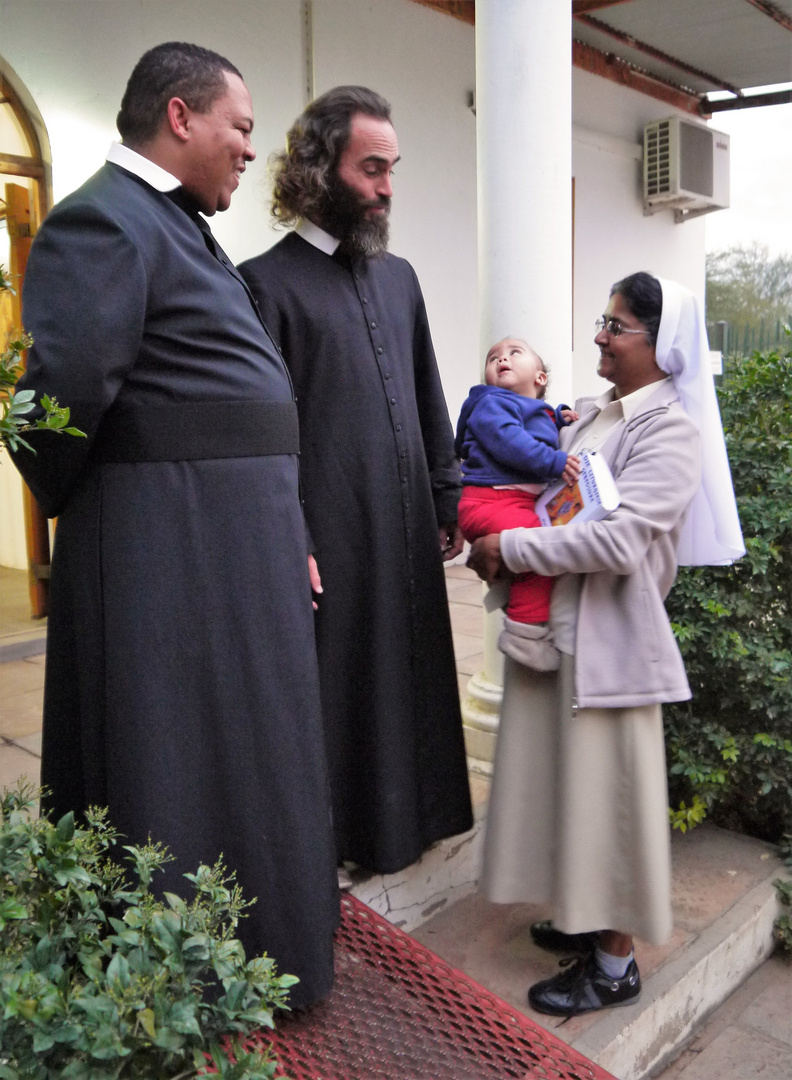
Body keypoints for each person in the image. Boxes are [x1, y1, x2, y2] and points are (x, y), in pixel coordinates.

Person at [10, 42, 338, 1008]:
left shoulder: (173, 223)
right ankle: (178, 978)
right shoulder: (99, 223)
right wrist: (120, 513)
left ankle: (262, 945)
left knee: (249, 747)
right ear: (182, 116)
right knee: (177, 758)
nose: (250, 148)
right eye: (240, 126)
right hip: (171, 547)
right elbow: (59, 402)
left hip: (229, 544)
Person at [467, 273, 744, 1019]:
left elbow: (619, 541)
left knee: (613, 807)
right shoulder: (595, 415)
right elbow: (544, 491)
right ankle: (584, 918)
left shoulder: (669, 430)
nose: (600, 335)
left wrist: (512, 547)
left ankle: (616, 965)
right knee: (572, 794)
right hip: (561, 632)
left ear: (661, 345)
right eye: (603, 321)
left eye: (616, 327)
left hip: (612, 648)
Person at [238, 86, 473, 877]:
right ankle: (351, 842)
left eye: (392, 169)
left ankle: (425, 818)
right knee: (348, 685)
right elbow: (260, 438)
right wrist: (289, 538)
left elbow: (427, 389)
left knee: (415, 670)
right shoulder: (261, 285)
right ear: (319, 168)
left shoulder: (399, 278)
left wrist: (448, 496)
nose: (386, 188)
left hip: (405, 522)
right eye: (372, 168)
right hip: (329, 528)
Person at [455, 337, 579, 671]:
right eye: (493, 357)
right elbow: (510, 441)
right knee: (537, 550)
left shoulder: (534, 409)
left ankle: (526, 623)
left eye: (513, 353)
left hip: (505, 501)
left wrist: (561, 419)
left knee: (531, 558)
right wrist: (553, 461)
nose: (501, 359)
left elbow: (536, 422)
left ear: (540, 378)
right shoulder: (492, 403)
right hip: (491, 499)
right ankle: (524, 636)